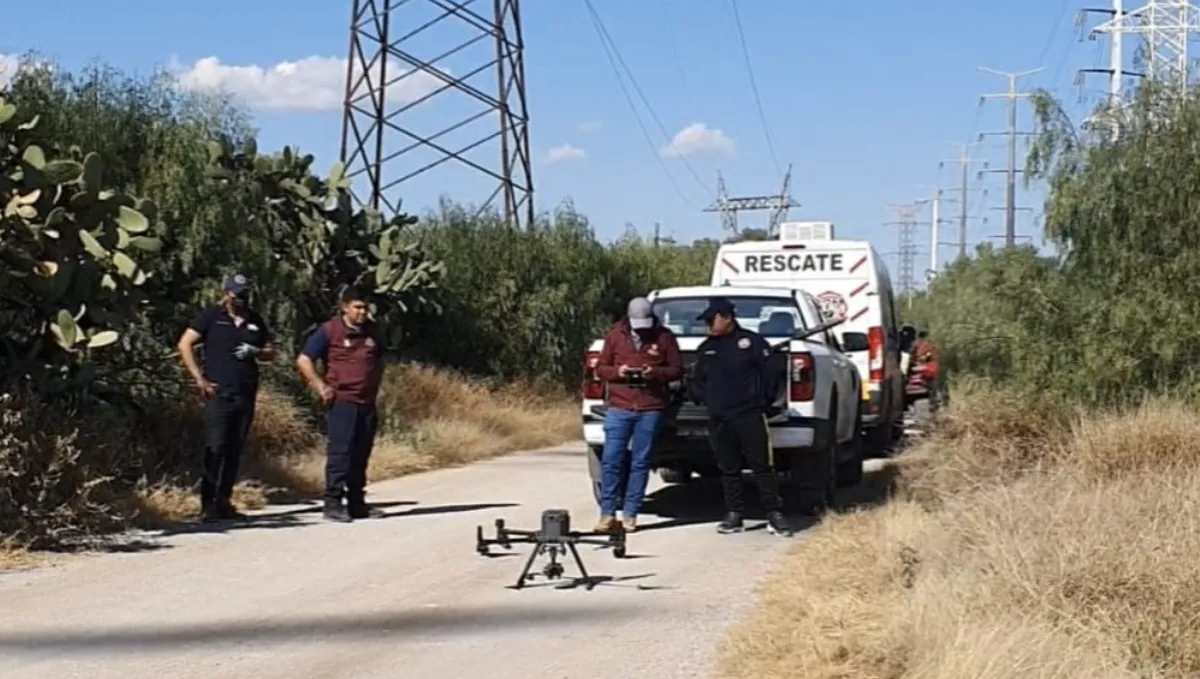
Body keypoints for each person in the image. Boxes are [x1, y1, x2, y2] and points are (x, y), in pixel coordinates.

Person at [177, 273, 276, 523]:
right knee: (216, 447)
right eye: (236, 294)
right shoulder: (211, 316)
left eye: (244, 294)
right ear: (227, 293)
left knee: (235, 449)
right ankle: (207, 504)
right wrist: (199, 378)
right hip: (219, 392)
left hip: (245, 392)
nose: (240, 299)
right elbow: (184, 344)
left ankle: (224, 501)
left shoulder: (255, 320)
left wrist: (257, 351)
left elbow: (270, 352)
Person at [689, 297, 791, 537]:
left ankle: (773, 513)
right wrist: (703, 397)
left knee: (762, 466)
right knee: (728, 468)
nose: (708, 325)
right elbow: (697, 380)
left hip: (749, 415)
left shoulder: (752, 343)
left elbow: (772, 375)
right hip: (719, 418)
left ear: (726, 317)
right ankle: (734, 514)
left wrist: (762, 403)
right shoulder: (707, 348)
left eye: (710, 320)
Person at [592, 296, 684, 533]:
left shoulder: (664, 336)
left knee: (640, 462)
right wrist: (618, 371)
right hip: (619, 406)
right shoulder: (615, 335)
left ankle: (631, 514)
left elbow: (676, 369)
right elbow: (601, 368)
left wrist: (654, 373)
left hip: (650, 407)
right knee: (611, 459)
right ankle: (607, 514)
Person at [296, 286, 386, 523]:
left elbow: (379, 360)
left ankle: (357, 503)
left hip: (366, 403)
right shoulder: (329, 331)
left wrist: (377, 387)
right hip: (343, 402)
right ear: (345, 307)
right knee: (341, 454)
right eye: (357, 307)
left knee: (361, 455)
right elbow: (304, 360)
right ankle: (333, 503)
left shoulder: (372, 332)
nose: (362, 312)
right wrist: (320, 386)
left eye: (365, 307)